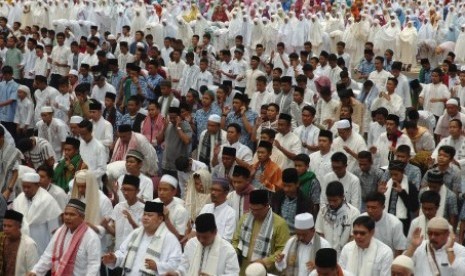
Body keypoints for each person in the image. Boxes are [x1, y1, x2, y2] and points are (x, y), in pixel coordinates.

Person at [102, 201, 182, 275]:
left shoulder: (169, 239)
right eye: (144, 214)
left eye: (150, 215)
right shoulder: (135, 234)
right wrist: (114, 258)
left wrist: (157, 266)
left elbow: (176, 264)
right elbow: (123, 253)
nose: (145, 217)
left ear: (160, 218)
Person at [28, 199, 101, 276]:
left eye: (72, 215)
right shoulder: (60, 232)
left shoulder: (91, 237)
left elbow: (93, 266)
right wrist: (35, 271)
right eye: (66, 214)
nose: (67, 217)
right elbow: (48, 255)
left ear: (82, 217)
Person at [232, 189, 290, 275]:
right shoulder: (244, 219)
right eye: (252, 209)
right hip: (244, 268)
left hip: (266, 271)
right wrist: (234, 253)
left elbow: (283, 250)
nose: (254, 212)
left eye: (258, 209)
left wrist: (265, 261)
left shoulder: (279, 224)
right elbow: (236, 240)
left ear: (267, 205)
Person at [168, 213, 240, 276]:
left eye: (205, 237)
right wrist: (177, 273)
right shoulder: (191, 244)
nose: (201, 240)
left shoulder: (228, 250)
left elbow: (233, 274)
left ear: (215, 232)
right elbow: (184, 266)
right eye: (198, 236)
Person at [12, 172, 61, 256]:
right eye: (24, 187)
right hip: (21, 243)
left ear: (37, 185)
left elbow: (54, 231)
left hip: (41, 245)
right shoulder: (19, 199)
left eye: (29, 187)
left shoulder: (47, 201)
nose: (26, 190)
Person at [315, 181, 360, 256]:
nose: (332, 203)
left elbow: (353, 237)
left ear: (342, 197)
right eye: (329, 200)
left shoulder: (354, 213)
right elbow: (319, 233)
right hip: (326, 253)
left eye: (335, 200)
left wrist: (345, 253)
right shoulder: (323, 211)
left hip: (345, 254)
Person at [103, 174, 144, 252]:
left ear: (137, 191)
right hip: (118, 251)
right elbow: (115, 232)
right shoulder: (118, 207)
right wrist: (105, 226)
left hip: (133, 253)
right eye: (124, 189)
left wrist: (131, 221)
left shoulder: (143, 209)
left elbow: (144, 234)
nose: (125, 193)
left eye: (129, 190)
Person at [362, 192, 408, 256]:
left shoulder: (395, 223)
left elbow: (399, 248)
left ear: (383, 207)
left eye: (373, 207)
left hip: (388, 259)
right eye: (368, 207)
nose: (370, 210)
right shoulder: (361, 219)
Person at [271, 168, 313, 234]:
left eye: (289, 186)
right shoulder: (277, 196)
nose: (286, 189)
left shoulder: (306, 202)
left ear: (297, 184)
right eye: (284, 185)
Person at [196, 178, 236, 242]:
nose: (213, 193)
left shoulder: (231, 213)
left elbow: (227, 239)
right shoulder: (206, 207)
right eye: (212, 189)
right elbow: (195, 229)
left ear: (226, 193)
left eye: (217, 190)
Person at [0, 210, 38, 276]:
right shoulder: (2, 239)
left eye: (9, 226)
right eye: (4, 225)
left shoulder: (29, 244)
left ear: (19, 227)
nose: (6, 229)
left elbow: (33, 270)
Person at [153, 175, 189, 240]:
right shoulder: (153, 203)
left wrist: (167, 220)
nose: (161, 193)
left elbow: (179, 238)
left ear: (174, 192)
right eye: (159, 189)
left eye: (165, 190)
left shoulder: (180, 210)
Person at [0, 126, 19, 201]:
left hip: (7, 193)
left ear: (1, 137)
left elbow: (15, 173)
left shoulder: (12, 151)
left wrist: (8, 190)